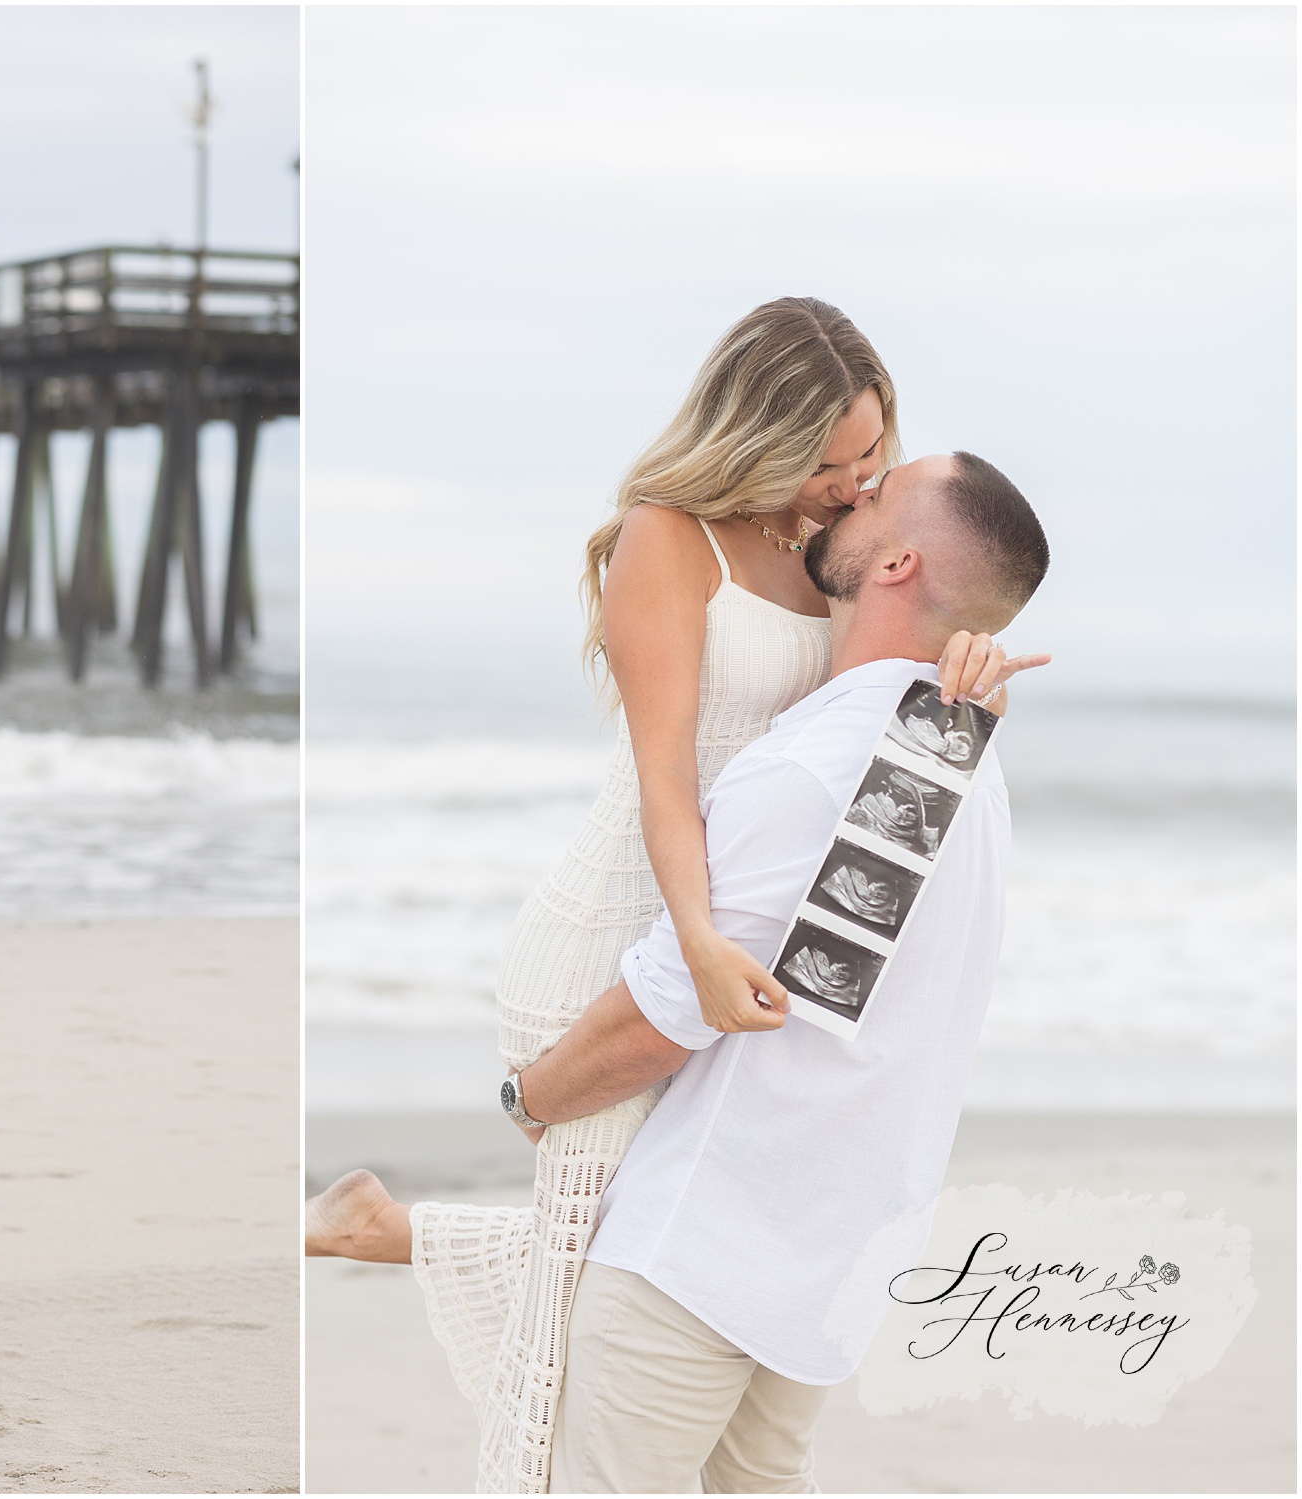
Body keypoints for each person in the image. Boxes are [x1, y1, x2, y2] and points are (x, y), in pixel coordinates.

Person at [305, 299, 1048, 1492]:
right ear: (760, 431)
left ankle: (387, 1228)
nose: (852, 487)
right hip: (634, 918)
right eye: (833, 461)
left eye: (873, 460)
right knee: (589, 1287)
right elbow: (665, 778)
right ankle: (394, 1247)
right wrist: (692, 938)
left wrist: (959, 693)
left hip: (729, 914)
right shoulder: (669, 538)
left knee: (653, 1233)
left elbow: (892, 668)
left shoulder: (833, 561)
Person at [517, 450, 1050, 1490]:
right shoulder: (955, 759)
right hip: (829, 1254)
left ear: (894, 561)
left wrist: (528, 1098)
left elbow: (669, 1013)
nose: (848, 493)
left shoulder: (821, 765)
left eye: (875, 487)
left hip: (705, 1247)